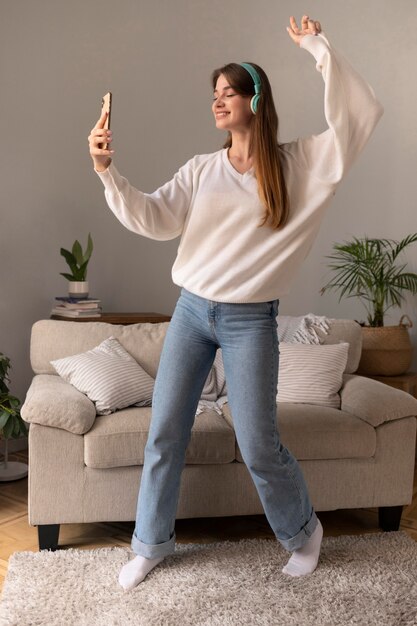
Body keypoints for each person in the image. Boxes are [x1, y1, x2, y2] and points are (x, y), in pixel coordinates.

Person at [88, 15, 383, 591]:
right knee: (165, 432)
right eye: (214, 94)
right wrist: (107, 171)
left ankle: (304, 533)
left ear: (256, 99)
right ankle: (150, 544)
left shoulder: (300, 166)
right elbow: (153, 216)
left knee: (257, 443)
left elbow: (359, 117)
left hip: (251, 321)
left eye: (229, 92)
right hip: (193, 312)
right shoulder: (202, 170)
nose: (218, 101)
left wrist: (316, 48)